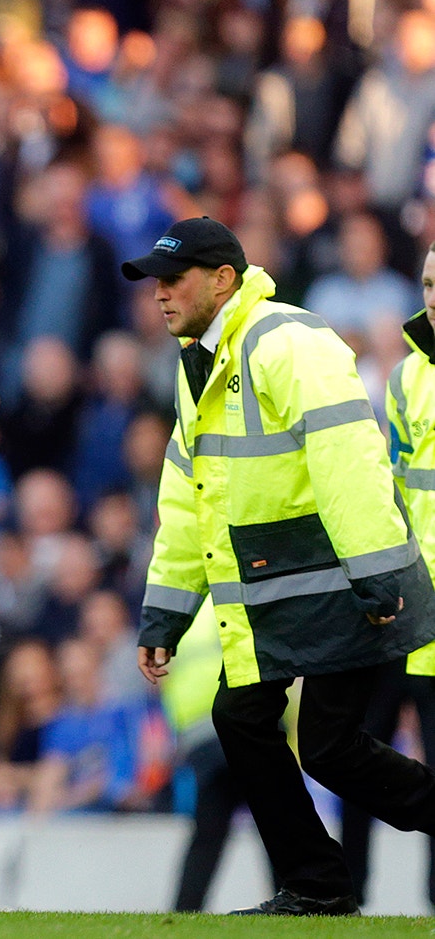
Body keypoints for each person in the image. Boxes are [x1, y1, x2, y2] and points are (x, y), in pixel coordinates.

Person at [131, 216, 435, 916]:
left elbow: (347, 456)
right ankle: (319, 883)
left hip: (342, 582)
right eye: (155, 282)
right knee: (246, 718)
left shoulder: (284, 339)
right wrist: (167, 612)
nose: (160, 294)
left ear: (224, 280)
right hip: (288, 588)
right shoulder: (201, 362)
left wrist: (376, 571)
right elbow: (186, 499)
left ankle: (320, 883)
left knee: (316, 743)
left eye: (173, 279)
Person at [362, 251, 435, 909]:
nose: (434, 296)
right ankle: (346, 892)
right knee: (359, 748)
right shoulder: (407, 378)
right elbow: (396, 485)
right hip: (410, 603)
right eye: (429, 283)